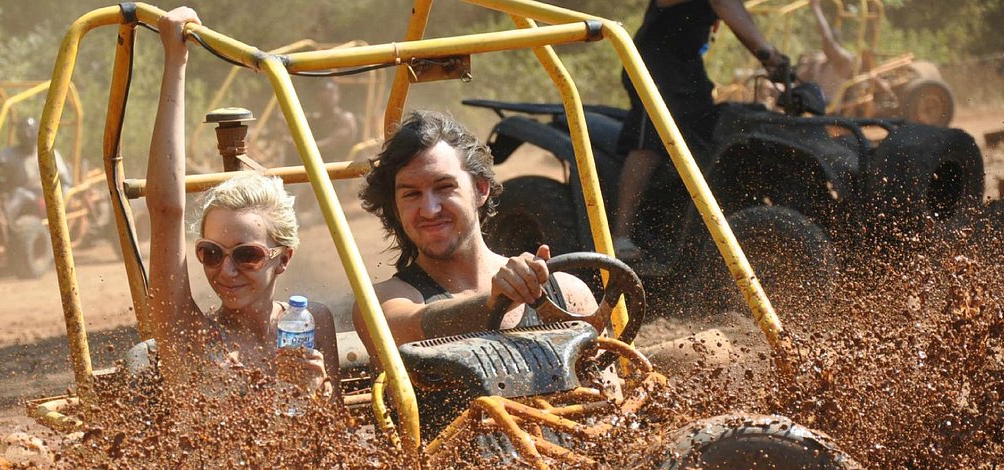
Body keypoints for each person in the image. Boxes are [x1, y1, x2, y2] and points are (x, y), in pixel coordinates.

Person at [146, 6, 339, 397]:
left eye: (246, 255)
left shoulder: (311, 321)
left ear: (283, 258)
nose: (226, 271)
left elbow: (330, 441)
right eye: (211, 253)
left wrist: (318, 393)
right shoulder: (190, 334)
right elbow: (166, 211)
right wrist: (176, 59)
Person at [354, 109, 597, 348]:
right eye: (411, 194)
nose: (429, 210)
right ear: (395, 206)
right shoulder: (381, 303)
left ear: (480, 189)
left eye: (444, 187)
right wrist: (494, 303)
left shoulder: (566, 293)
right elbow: (412, 326)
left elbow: (610, 383)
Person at [612, 0, 791, 262]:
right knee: (650, 142)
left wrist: (771, 57)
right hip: (654, 65)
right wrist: (767, 54)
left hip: (687, 65)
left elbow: (738, 12)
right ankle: (620, 237)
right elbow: (727, 7)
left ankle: (683, 231)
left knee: (707, 137)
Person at [0, 116, 71, 222]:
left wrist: (60, 206)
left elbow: (65, 181)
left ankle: (2, 224)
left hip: (42, 199)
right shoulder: (9, 153)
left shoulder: (48, 154)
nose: (26, 136)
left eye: (29, 133)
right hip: (13, 195)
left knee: (20, 193)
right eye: (24, 132)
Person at [795, 0, 858, 112]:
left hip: (829, 108)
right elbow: (798, 79)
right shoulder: (818, 61)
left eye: (827, 45)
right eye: (823, 45)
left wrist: (816, 8)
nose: (825, 47)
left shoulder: (844, 60)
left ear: (837, 45)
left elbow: (827, 39)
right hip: (812, 103)